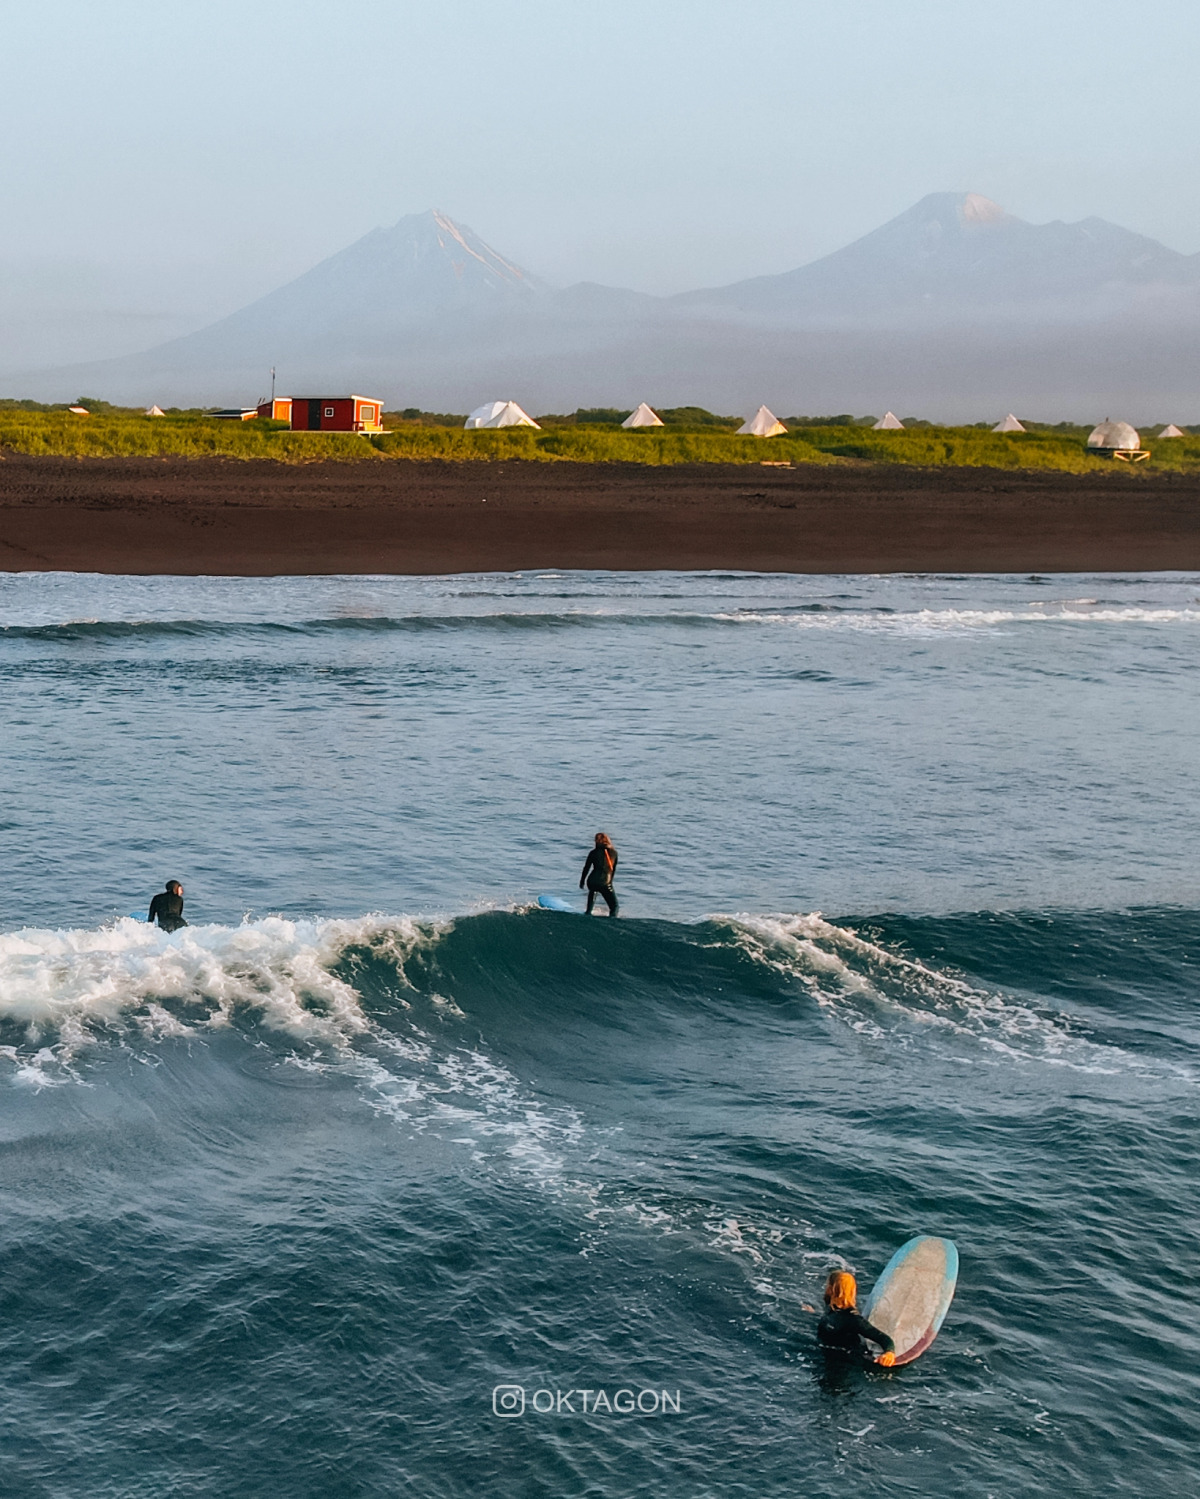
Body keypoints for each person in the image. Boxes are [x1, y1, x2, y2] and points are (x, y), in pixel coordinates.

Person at [816, 1270, 896, 1366]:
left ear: (830, 1290)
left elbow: (884, 1338)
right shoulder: (831, 1307)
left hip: (846, 1360)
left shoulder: (854, 1320)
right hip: (826, 1353)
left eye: (827, 1285)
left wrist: (889, 1352)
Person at [580, 832, 619, 917]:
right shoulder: (614, 853)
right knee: (615, 906)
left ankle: (588, 914)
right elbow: (613, 870)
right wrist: (610, 883)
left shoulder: (593, 852)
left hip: (592, 881)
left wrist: (582, 881)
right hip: (605, 882)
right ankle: (612, 920)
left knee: (591, 900)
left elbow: (586, 868)